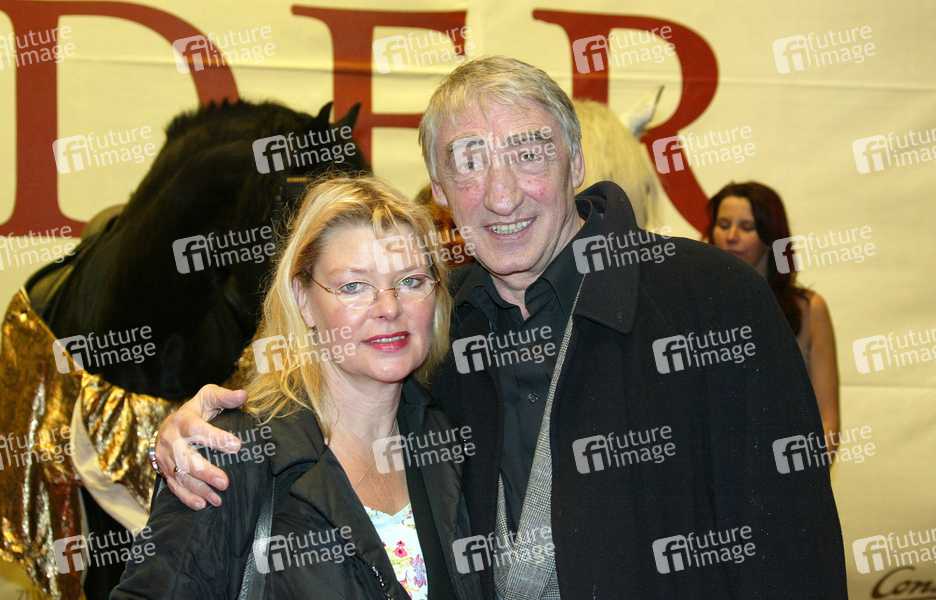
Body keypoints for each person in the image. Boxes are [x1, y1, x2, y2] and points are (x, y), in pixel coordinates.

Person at [153, 56, 848, 599]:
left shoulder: (710, 300)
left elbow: (794, 548)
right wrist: (195, 432)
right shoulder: (434, 329)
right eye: (469, 162)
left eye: (527, 153)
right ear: (440, 188)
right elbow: (328, 405)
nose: (502, 194)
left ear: (576, 163)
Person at [112, 176, 481, 600]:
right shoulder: (233, 452)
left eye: (411, 281)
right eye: (354, 286)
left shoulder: (452, 435)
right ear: (303, 300)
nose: (389, 307)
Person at [706, 182, 840, 453]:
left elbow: (828, 423)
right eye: (723, 224)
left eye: (747, 227)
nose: (731, 236)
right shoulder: (692, 306)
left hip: (787, 468)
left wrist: (802, 471)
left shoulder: (808, 310)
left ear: (770, 237)